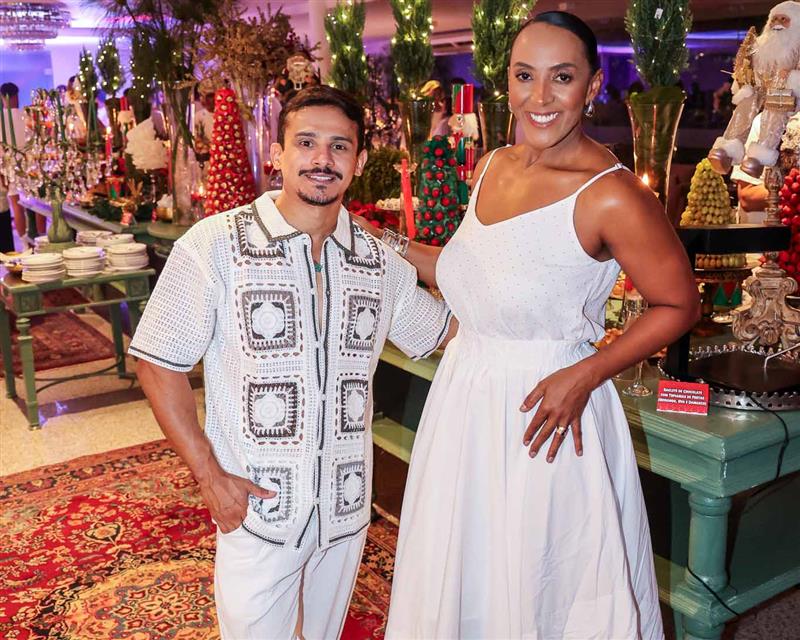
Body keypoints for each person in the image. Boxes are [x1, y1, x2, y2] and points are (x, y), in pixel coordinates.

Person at [358, 11, 699, 638]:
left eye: (561, 77)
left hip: (547, 411)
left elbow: (679, 305)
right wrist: (384, 242)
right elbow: (471, 275)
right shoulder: (492, 165)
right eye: (525, 76)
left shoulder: (613, 194)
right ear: (507, 82)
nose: (540, 97)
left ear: (592, 85)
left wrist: (587, 373)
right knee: (467, 572)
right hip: (465, 397)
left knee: (541, 584)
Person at [128, 85, 455, 639]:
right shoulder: (215, 245)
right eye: (306, 143)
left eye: (339, 146)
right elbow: (158, 363)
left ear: (359, 161)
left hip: (344, 509)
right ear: (278, 153)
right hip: (258, 507)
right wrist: (209, 476)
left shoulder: (377, 263)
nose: (322, 159)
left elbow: (447, 332)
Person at [0, 82, 32, 246]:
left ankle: (24, 242)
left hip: (9, 165)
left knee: (16, 204)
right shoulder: (25, 115)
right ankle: (37, 237)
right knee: (35, 204)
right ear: (15, 96)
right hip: (28, 163)